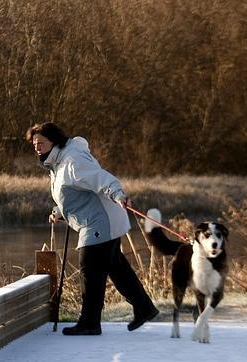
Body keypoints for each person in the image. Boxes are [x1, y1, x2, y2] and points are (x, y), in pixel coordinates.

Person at [25, 122, 159, 336]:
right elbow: (73, 193)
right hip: (101, 219)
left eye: (41, 143)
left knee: (90, 267)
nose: (37, 147)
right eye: (34, 144)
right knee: (116, 267)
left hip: (99, 221)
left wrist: (119, 194)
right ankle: (144, 308)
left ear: (54, 141)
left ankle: (89, 322)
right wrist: (59, 212)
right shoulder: (58, 163)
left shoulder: (72, 161)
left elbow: (101, 179)